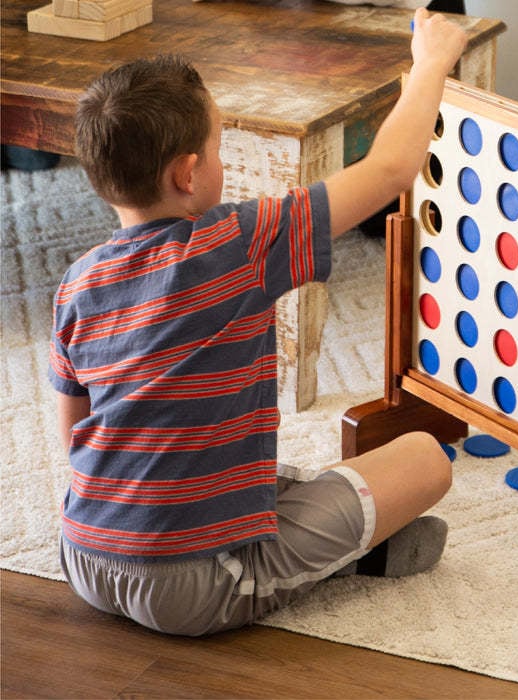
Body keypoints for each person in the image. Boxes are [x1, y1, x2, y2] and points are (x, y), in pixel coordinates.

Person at [49, 8, 467, 635]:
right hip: (190, 589)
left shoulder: (76, 283)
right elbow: (388, 171)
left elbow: (74, 437)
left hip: (83, 555)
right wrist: (432, 62)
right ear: (187, 173)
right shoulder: (238, 242)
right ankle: (334, 560)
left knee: (281, 483)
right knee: (425, 460)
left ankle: (339, 547)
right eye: (219, 148)